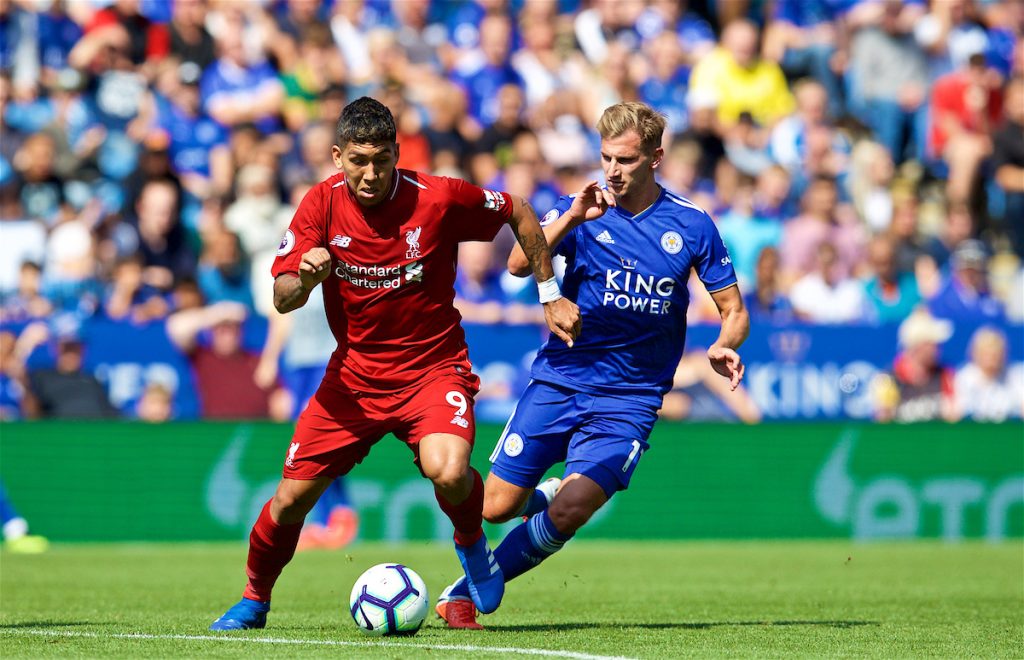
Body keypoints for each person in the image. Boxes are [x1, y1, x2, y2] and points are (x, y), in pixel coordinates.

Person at [209, 97, 580, 630]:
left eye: (381, 159)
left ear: (397, 154)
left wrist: (548, 294)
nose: (370, 172)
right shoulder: (319, 205)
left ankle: (472, 544)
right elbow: (282, 297)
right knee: (291, 500)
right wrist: (306, 278)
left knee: (448, 470)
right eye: (358, 159)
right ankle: (253, 599)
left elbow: (518, 210)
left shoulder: (436, 197)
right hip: (353, 379)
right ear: (337, 156)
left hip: (433, 369)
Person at [435, 102, 748, 629]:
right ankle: (539, 495)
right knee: (491, 507)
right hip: (561, 379)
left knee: (572, 510)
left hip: (632, 397)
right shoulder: (580, 208)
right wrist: (572, 217)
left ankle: (465, 591)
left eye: (625, 159)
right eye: (605, 157)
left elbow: (734, 310)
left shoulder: (692, 224)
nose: (612, 170)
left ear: (655, 157)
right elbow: (516, 264)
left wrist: (723, 343)